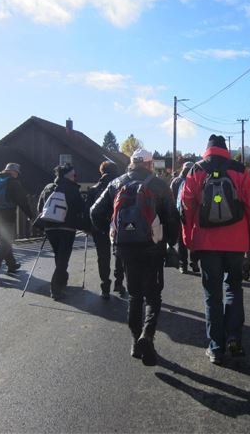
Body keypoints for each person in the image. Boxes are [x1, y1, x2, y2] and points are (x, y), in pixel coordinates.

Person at [90, 149, 180, 366]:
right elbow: (172, 217)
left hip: (125, 247)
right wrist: (170, 243)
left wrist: (111, 232)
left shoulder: (116, 183)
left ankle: (134, 341)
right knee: (153, 296)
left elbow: (94, 212)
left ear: (131, 163)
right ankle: (147, 336)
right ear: (149, 164)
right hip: (152, 246)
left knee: (134, 295)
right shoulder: (159, 185)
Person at [181, 134, 250, 365]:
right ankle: (234, 338)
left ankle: (216, 347)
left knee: (212, 295)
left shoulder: (196, 171)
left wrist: (189, 241)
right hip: (236, 243)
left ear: (206, 150)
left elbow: (186, 209)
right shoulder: (240, 170)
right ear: (226, 150)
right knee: (234, 289)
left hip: (207, 244)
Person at [37, 164, 88, 300]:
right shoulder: (72, 188)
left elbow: (40, 207)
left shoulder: (48, 188)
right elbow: (80, 207)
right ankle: (56, 289)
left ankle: (62, 280)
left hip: (50, 227)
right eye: (74, 175)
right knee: (63, 258)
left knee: (59, 255)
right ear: (69, 175)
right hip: (67, 227)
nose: (75, 177)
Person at [0, 163, 36, 284]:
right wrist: (31, 216)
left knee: (4, 241)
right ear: (13, 172)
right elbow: (22, 201)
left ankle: (11, 264)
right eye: (17, 173)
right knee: (5, 243)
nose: (17, 175)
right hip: (7, 216)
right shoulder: (13, 183)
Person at [88, 161, 126, 299]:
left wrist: (89, 227)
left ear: (101, 171)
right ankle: (119, 282)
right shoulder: (120, 186)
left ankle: (105, 285)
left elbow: (90, 211)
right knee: (119, 255)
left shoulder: (93, 189)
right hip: (116, 225)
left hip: (99, 227)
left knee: (102, 256)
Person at [170, 161, 199, 274]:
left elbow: (170, 198)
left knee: (182, 239)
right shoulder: (194, 180)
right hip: (192, 213)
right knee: (194, 237)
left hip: (179, 213)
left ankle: (183, 264)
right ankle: (194, 261)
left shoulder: (176, 181)